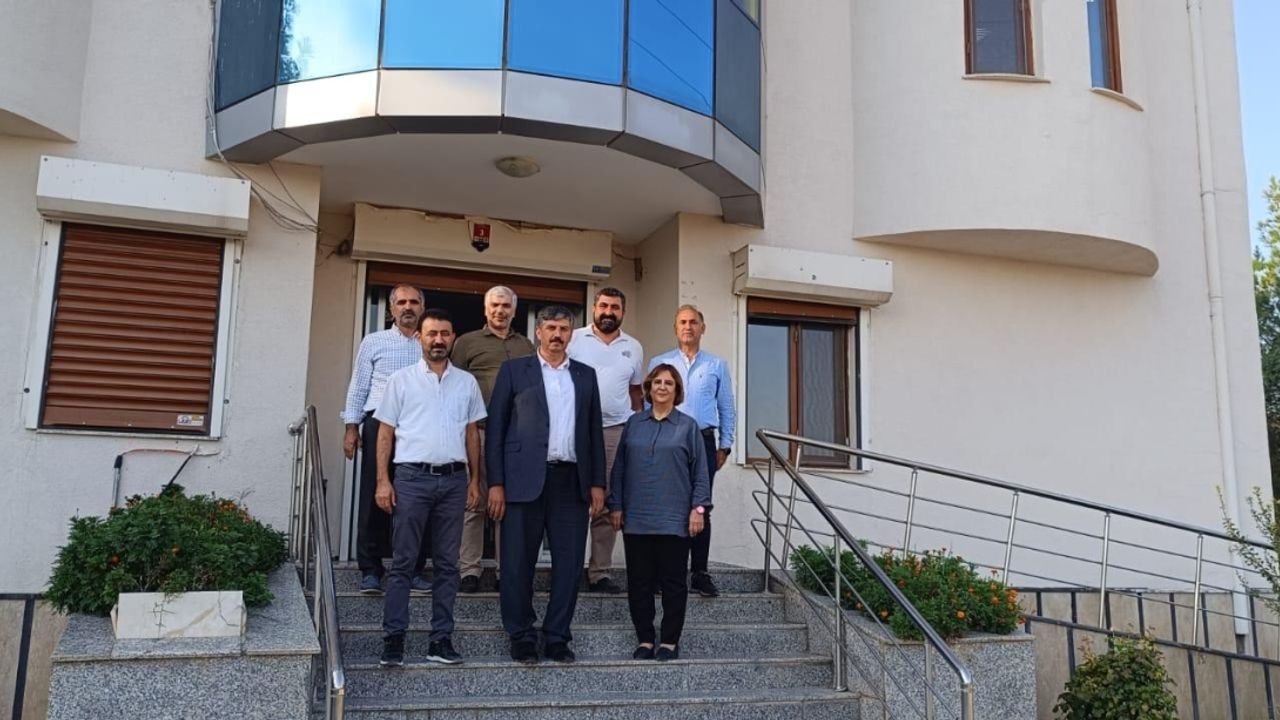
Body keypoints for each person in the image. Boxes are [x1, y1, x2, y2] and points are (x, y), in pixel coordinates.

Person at [486, 305, 606, 665]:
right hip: (522, 481)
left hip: (571, 481)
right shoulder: (514, 371)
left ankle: (556, 637)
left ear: (571, 334)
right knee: (516, 563)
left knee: (569, 565)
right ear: (538, 332)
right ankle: (521, 636)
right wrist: (496, 483)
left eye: (564, 329)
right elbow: (495, 430)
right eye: (551, 328)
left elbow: (593, 433)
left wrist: (597, 483)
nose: (557, 334)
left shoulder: (585, 375)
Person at [373, 309, 486, 667]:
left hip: (454, 481)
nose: (438, 340)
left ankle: (440, 640)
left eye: (445, 333)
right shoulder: (401, 380)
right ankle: (394, 639)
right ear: (420, 337)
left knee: (449, 565)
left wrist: (474, 480)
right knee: (404, 561)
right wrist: (382, 480)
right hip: (411, 479)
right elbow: (385, 432)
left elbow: (472, 433)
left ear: (453, 338)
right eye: (432, 333)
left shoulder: (466, 382)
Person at [609, 364, 710, 662]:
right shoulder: (634, 424)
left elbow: (700, 473)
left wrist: (698, 509)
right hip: (637, 518)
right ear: (649, 388)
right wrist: (616, 505)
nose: (662, 387)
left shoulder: (688, 426)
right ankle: (644, 638)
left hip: (675, 520)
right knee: (639, 582)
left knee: (674, 584)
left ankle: (668, 641)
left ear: (677, 391)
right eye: (657, 382)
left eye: (669, 383)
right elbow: (620, 468)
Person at [341, 284, 432, 596]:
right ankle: (370, 569)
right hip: (380, 422)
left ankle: (413, 568)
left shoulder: (431, 342)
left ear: (422, 308)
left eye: (414, 302)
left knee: (416, 498)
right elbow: (359, 385)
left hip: (420, 425)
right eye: (401, 302)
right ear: (392, 309)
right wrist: (351, 427)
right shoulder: (374, 341)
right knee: (374, 494)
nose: (408, 307)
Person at [647, 305, 736, 598]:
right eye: (683, 322)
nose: (688, 327)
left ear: (702, 328)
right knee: (666, 505)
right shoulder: (660, 363)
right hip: (666, 441)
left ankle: (699, 573)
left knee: (700, 506)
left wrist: (725, 445)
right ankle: (663, 573)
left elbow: (726, 406)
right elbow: (649, 406)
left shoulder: (716, 365)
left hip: (703, 440)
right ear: (676, 328)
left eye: (693, 322)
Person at [451, 286, 534, 594]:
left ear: (514, 311)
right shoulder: (467, 342)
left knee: (509, 505)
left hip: (516, 437)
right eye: (495, 305)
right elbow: (453, 385)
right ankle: (469, 570)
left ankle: (505, 571)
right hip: (479, 431)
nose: (500, 311)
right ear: (486, 310)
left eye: (506, 306)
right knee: (474, 501)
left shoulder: (526, 345)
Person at [566, 288, 643, 594]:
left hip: (615, 431)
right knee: (572, 499)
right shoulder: (574, 338)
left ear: (623, 312)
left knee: (607, 501)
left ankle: (599, 572)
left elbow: (636, 392)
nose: (608, 312)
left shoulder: (633, 347)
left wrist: (636, 427)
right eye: (604, 306)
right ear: (594, 308)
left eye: (615, 307)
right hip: (575, 429)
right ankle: (568, 569)